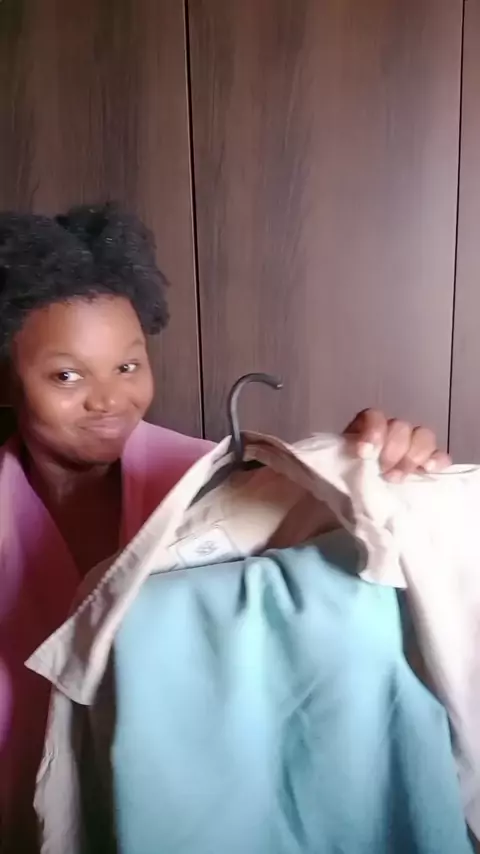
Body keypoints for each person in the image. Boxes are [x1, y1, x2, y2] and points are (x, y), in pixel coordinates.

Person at [0, 203, 449, 853]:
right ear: (8, 380)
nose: (109, 399)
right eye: (67, 375)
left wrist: (366, 473)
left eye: (128, 366)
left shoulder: (227, 489)